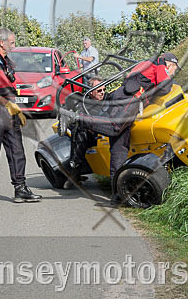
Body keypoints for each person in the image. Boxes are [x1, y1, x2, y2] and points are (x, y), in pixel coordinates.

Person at [74, 52, 179, 204]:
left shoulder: (146, 63)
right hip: (129, 100)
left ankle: (117, 194)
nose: (174, 72)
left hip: (125, 97)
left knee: (119, 149)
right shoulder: (160, 65)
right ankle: (80, 119)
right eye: (175, 69)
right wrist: (166, 70)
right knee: (115, 127)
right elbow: (165, 87)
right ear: (170, 64)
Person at [0, 28, 41, 203]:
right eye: (12, 42)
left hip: (10, 114)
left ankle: (20, 188)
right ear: (1, 43)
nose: (14, 45)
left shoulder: (7, 62)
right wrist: (6, 104)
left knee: (17, 151)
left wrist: (17, 109)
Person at [66, 77, 108, 175]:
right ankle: (75, 168)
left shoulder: (107, 98)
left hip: (110, 129)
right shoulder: (84, 105)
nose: (102, 92)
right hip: (94, 134)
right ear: (90, 92)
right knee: (81, 131)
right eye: (99, 90)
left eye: (104, 90)